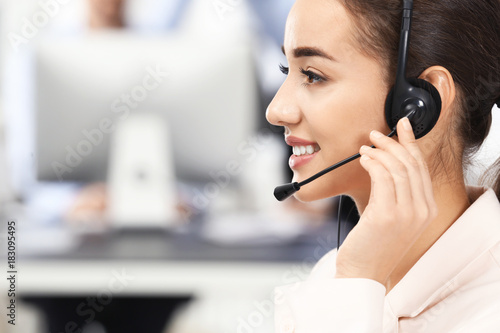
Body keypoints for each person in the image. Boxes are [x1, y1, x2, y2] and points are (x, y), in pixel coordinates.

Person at [266, 0, 500, 331]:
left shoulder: (490, 311)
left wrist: (357, 278)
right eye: (284, 71)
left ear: (419, 103)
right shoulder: (337, 274)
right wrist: (357, 276)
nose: (276, 110)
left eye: (313, 76)